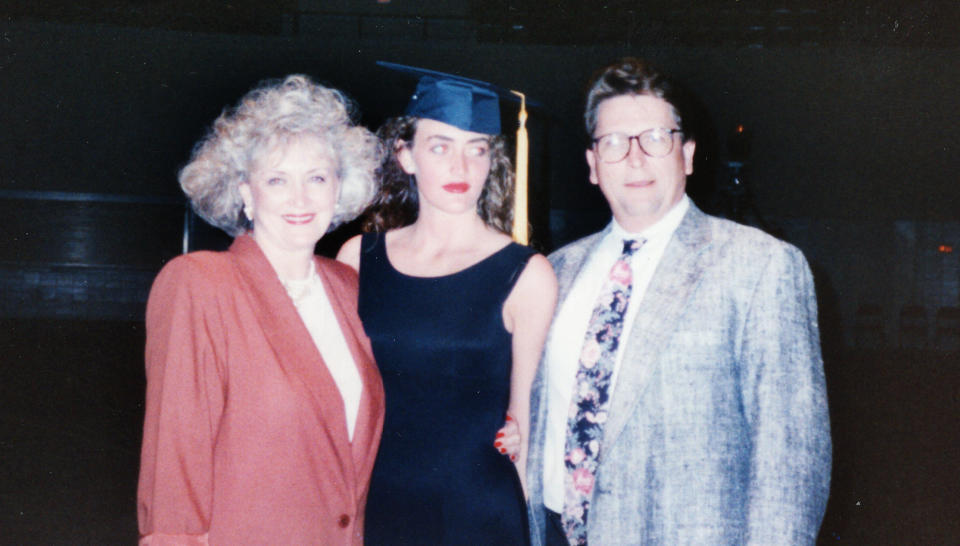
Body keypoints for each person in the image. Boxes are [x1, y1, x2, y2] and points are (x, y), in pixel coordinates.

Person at [525, 58, 832, 545]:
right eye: (614, 142)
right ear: (592, 165)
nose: (635, 158)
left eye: (656, 138)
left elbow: (790, 463)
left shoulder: (760, 265)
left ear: (686, 154)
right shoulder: (554, 272)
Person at [137, 75, 385, 545]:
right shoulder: (201, 283)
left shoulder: (347, 288)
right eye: (276, 179)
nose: (299, 198)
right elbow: (174, 457)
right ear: (247, 194)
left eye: (316, 177)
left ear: (339, 189)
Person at [337, 70, 557, 544]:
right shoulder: (359, 258)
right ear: (405, 155)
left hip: (477, 515)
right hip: (378, 506)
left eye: (477, 148)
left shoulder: (525, 274)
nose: (461, 167)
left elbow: (524, 426)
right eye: (440, 146)